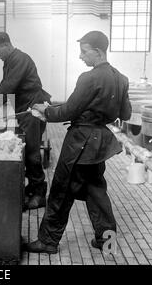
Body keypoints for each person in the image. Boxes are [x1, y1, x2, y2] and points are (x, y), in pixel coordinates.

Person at [23, 30, 132, 254]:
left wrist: (44, 111)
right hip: (99, 143)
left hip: (80, 143)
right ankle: (106, 240)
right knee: (96, 191)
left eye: (84, 52)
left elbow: (68, 111)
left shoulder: (89, 78)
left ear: (98, 52)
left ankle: (47, 241)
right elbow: (127, 113)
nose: (81, 57)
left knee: (62, 190)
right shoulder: (121, 78)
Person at [0, 31, 52, 210]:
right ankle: (32, 188)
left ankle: (39, 195)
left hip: (33, 109)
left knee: (31, 153)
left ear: (7, 45)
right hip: (25, 110)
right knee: (28, 150)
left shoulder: (19, 59)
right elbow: (5, 85)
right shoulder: (11, 60)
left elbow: (8, 87)